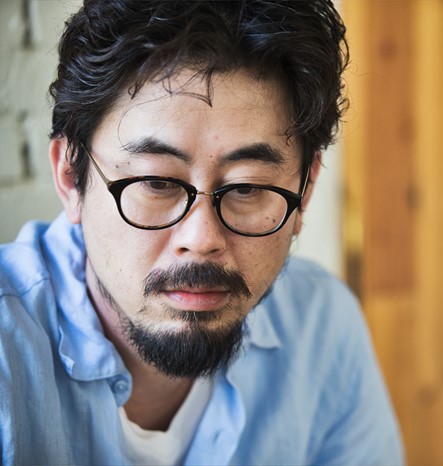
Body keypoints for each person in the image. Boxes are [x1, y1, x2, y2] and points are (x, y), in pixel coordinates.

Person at [0, 1, 403, 464]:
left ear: (305, 190)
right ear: (72, 176)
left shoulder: (323, 328)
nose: (202, 238)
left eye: (248, 187)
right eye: (157, 183)